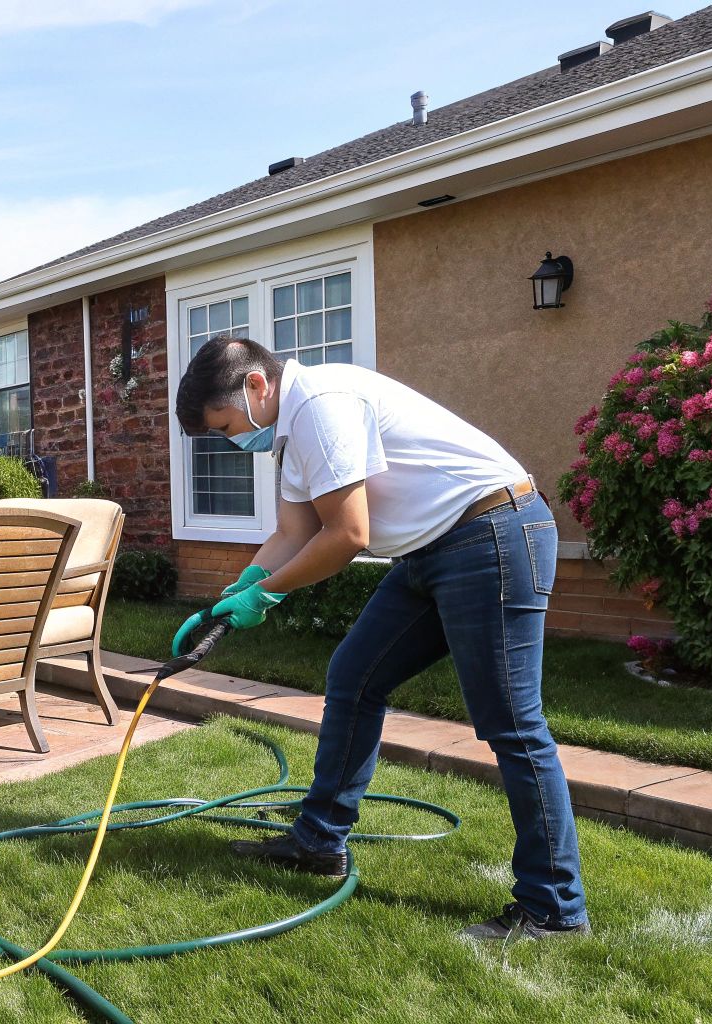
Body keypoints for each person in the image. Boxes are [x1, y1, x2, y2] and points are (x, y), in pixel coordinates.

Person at [171, 336, 588, 941]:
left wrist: (266, 596)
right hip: (433, 549)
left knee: (512, 724)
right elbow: (294, 533)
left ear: (255, 386)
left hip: (491, 534)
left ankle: (554, 908)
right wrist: (233, 598)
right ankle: (318, 841)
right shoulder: (288, 434)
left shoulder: (322, 403)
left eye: (229, 424)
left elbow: (347, 535)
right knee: (354, 677)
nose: (235, 439)